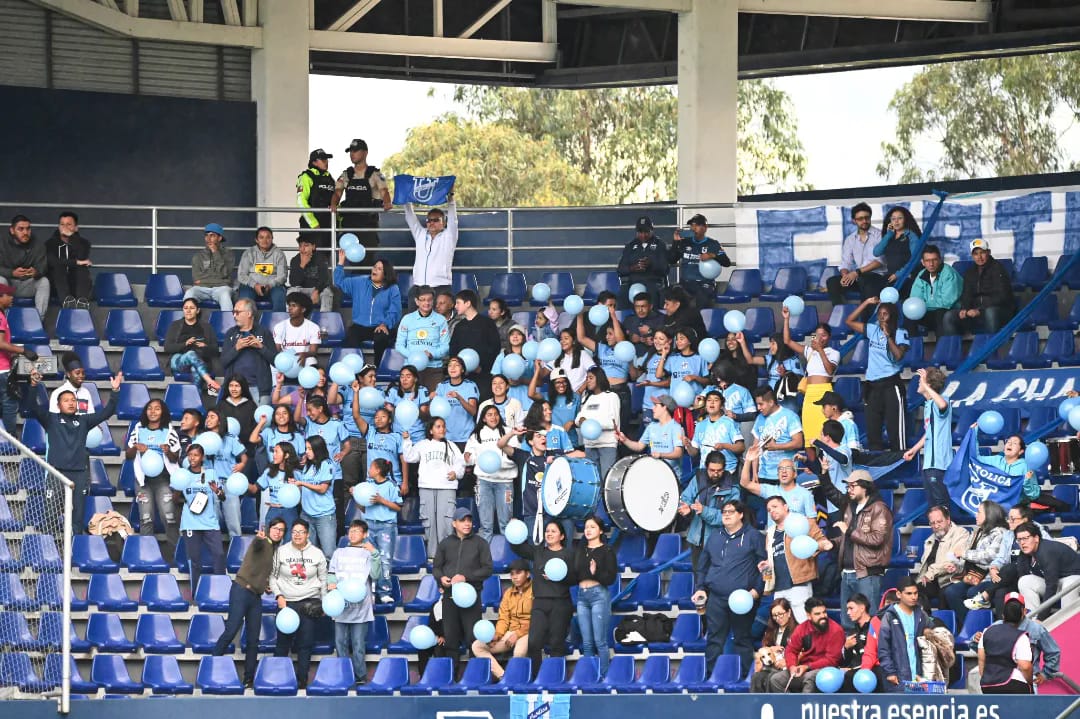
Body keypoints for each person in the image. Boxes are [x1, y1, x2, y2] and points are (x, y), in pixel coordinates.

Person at [28, 372, 121, 533]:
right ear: (58, 405)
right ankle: (51, 553)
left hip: (79, 474)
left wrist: (115, 391)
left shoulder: (84, 420)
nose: (71, 403)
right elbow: (32, 406)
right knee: (50, 515)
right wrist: (33, 386)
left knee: (77, 517)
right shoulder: (51, 419)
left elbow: (107, 413)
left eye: (73, 400)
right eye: (66, 400)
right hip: (56, 473)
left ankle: (75, 553)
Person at [692, 498, 766, 675]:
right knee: (714, 640)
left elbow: (764, 566)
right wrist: (700, 587)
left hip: (743, 598)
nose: (726, 515)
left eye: (730, 512)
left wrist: (757, 590)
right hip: (716, 597)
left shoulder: (753, 536)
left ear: (740, 514)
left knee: (742, 638)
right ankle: (711, 678)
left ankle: (749, 680)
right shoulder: (715, 536)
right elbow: (702, 565)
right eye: (724, 512)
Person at [213, 517, 286, 688]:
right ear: (269, 530)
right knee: (231, 630)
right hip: (241, 590)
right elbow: (258, 545)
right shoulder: (262, 542)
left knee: (254, 639)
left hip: (255, 596)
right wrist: (259, 538)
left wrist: (265, 584)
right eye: (275, 528)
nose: (277, 532)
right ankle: (212, 665)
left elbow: (261, 569)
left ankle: (248, 679)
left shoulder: (276, 550)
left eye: (281, 529)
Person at [821, 470, 894, 627]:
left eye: (853, 486)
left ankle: (868, 652)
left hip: (867, 573)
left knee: (869, 621)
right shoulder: (850, 507)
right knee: (847, 623)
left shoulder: (879, 509)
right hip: (847, 572)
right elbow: (849, 538)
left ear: (865, 487)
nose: (849, 490)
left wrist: (848, 531)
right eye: (848, 487)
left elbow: (877, 539)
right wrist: (833, 543)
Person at [510, 520, 576, 678]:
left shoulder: (569, 554)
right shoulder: (539, 552)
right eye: (547, 531)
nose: (549, 534)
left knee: (556, 644)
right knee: (533, 642)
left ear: (562, 536)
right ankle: (537, 677)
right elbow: (518, 547)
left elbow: (575, 578)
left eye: (553, 531)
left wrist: (559, 577)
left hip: (560, 603)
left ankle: (555, 679)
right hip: (539, 602)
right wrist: (512, 528)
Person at [433, 507, 493, 673]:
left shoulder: (480, 543)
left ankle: (476, 675)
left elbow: (488, 569)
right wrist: (441, 578)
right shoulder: (445, 543)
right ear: (454, 523)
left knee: (473, 638)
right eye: (462, 520)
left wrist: (466, 577)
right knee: (450, 638)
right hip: (450, 596)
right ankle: (451, 676)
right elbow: (436, 567)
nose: (467, 524)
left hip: (471, 597)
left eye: (469, 520)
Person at [270, 518, 328, 689]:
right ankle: (278, 679)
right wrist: (278, 596)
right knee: (282, 644)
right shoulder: (281, 551)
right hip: (286, 603)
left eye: (301, 532)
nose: (297, 535)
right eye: (294, 532)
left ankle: (302, 680)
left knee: (305, 644)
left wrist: (324, 602)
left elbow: (323, 579)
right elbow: (272, 576)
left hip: (309, 602)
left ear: (307, 534)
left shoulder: (317, 553)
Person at [846, 298, 909, 451]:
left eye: (885, 314)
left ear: (892, 316)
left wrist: (888, 337)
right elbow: (849, 321)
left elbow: (898, 356)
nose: (881, 317)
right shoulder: (872, 330)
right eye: (879, 314)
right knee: (873, 428)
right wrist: (866, 303)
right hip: (872, 385)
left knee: (895, 428)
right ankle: (877, 462)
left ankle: (900, 460)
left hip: (891, 384)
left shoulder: (900, 333)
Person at [964, 504, 1050, 614]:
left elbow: (1050, 553)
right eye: (1008, 518)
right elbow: (1000, 558)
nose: (1009, 521)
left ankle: (985, 595)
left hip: (1033, 576)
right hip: (1011, 578)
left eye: (1013, 519)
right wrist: (994, 567)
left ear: (1025, 519)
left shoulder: (1039, 533)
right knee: (1000, 592)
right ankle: (1003, 626)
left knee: (1012, 566)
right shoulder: (1008, 535)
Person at [761, 495, 832, 623]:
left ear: (786, 507)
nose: (772, 511)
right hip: (778, 587)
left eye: (775, 507)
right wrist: (766, 573)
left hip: (799, 583)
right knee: (782, 627)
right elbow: (770, 560)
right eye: (769, 510)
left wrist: (823, 545)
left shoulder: (803, 522)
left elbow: (821, 541)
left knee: (803, 624)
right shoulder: (770, 533)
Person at [968, 593, 1060, 690]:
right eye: (1009, 606)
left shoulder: (1037, 629)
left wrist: (1045, 674)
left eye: (1016, 606)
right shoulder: (995, 626)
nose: (1012, 609)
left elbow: (1053, 652)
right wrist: (975, 639)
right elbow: (980, 649)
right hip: (999, 678)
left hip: (1026, 678)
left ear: (1024, 611)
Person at [125, 399, 181, 556]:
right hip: (143, 481)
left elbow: (175, 458)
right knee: (146, 518)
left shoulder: (168, 430)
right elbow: (128, 455)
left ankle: (176, 556)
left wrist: (168, 451)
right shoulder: (138, 428)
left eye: (157, 408)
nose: (153, 411)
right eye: (149, 408)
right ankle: (147, 556)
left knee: (169, 517)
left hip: (163, 480)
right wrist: (136, 447)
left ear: (163, 412)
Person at [327, 518, 381, 684]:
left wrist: (374, 553)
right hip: (340, 605)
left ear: (365, 534)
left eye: (357, 531)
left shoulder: (369, 553)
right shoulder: (339, 552)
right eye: (351, 530)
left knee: (358, 645)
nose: (352, 533)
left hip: (361, 607)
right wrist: (331, 584)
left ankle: (360, 677)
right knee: (340, 643)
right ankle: (344, 675)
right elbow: (332, 572)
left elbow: (376, 575)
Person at [403, 418, 466, 557]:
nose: (442, 429)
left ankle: (448, 555)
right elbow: (409, 457)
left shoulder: (451, 445)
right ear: (430, 430)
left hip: (447, 487)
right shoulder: (423, 444)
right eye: (438, 427)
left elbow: (460, 464)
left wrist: (456, 473)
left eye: (443, 426)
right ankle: (432, 555)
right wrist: (407, 441)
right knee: (429, 521)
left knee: (446, 521)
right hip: (427, 487)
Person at [171, 444, 227, 593]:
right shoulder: (182, 475)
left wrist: (217, 490)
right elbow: (174, 500)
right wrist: (177, 487)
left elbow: (223, 497)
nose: (192, 458)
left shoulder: (211, 474)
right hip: (190, 523)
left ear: (202, 457)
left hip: (210, 522)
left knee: (219, 554)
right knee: (194, 561)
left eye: (195, 455)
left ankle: (221, 590)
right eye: (190, 455)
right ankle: (196, 594)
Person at [943, 500, 1008, 625]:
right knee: (951, 592)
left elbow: (990, 556)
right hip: (973, 576)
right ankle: (969, 626)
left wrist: (964, 554)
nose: (975, 515)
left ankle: (984, 626)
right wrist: (956, 566)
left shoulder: (999, 533)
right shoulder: (977, 532)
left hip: (990, 578)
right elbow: (967, 559)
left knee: (972, 593)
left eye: (979, 512)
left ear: (989, 514)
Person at [781, 306, 836, 450]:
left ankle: (826, 465)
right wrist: (786, 319)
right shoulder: (809, 351)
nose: (820, 338)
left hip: (825, 392)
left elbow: (830, 370)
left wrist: (820, 351)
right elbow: (787, 341)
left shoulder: (833, 353)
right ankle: (813, 467)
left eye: (823, 335)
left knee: (825, 433)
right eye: (817, 335)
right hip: (809, 394)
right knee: (809, 434)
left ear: (829, 337)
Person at [766, 597, 845, 693]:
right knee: (776, 679)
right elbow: (791, 650)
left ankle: (802, 706)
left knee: (809, 678)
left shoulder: (836, 630)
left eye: (824, 612)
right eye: (817, 614)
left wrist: (807, 667)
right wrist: (792, 666)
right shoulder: (802, 628)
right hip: (803, 668)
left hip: (825, 670)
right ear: (808, 615)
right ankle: (789, 705)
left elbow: (832, 660)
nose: (823, 616)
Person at [471, 558, 533, 679]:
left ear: (527, 574)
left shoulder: (535, 591)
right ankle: (504, 677)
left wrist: (518, 634)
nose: (514, 577)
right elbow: (503, 618)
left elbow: (537, 619)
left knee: (519, 651)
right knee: (477, 645)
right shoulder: (508, 593)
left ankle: (517, 681)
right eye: (512, 574)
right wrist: (497, 635)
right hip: (510, 632)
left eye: (518, 573)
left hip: (528, 632)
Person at [335, 254, 401, 368]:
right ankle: (360, 369)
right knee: (350, 339)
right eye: (374, 267)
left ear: (386, 274)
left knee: (381, 337)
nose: (375, 270)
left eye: (379, 269)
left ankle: (377, 368)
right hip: (360, 326)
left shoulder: (393, 288)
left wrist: (385, 324)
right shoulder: (359, 282)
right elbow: (339, 282)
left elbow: (395, 310)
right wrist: (341, 263)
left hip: (380, 326)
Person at [464, 406, 518, 542]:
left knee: (506, 524)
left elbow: (516, 455)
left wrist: (501, 464)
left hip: (505, 482)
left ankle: (508, 557)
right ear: (483, 418)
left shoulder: (509, 432)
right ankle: (483, 560)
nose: (493, 417)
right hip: (483, 481)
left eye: (495, 414)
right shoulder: (476, 435)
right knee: (486, 525)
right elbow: (469, 458)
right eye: (489, 415)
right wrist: (467, 457)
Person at [942, 238, 1017, 336]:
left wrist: (980, 310)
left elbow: (1002, 297)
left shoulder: (998, 269)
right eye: (976, 254)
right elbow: (966, 295)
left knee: (990, 313)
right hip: (976, 312)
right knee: (949, 316)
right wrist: (964, 309)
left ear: (988, 252)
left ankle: (992, 349)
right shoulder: (970, 272)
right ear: (972, 255)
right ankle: (954, 349)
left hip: (1000, 310)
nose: (979, 257)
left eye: (982, 253)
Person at [331, 138, 392, 256]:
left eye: (355, 151)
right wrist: (333, 204)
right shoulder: (346, 174)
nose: (352, 154)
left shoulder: (375, 173)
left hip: (368, 226)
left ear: (365, 153)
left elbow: (384, 191)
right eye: (350, 151)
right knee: (350, 260)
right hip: (350, 225)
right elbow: (337, 192)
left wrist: (387, 202)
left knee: (368, 259)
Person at [902, 367, 953, 510]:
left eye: (921, 382)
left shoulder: (942, 401)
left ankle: (950, 532)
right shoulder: (928, 405)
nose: (919, 384)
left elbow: (943, 405)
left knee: (942, 507)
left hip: (939, 464)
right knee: (933, 508)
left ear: (928, 385)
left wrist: (925, 385)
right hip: (929, 465)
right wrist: (914, 449)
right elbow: (929, 433)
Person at [680, 451, 738, 571]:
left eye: (719, 470)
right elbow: (685, 499)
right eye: (712, 470)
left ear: (724, 468)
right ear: (706, 467)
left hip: (720, 542)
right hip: (696, 540)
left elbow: (729, 517)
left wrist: (704, 511)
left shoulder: (732, 487)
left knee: (717, 581)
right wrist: (688, 510)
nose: (716, 474)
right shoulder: (697, 479)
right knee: (699, 581)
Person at [574, 514, 617, 676]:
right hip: (581, 596)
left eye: (592, 527)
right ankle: (589, 676)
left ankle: (604, 676)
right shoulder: (580, 549)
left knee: (600, 641)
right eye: (586, 527)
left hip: (598, 595)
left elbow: (610, 577)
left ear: (600, 531)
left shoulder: (606, 550)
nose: (588, 530)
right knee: (587, 643)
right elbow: (575, 573)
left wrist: (595, 572)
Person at [200, 407, 248, 539]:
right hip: (210, 483)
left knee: (234, 521)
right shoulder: (202, 438)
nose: (208, 419)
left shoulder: (230, 438)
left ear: (220, 421)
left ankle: (236, 551)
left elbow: (244, 456)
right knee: (211, 520)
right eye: (207, 416)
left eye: (212, 417)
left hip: (229, 483)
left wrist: (242, 464)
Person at [1014, 520, 1080, 617]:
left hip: (1075, 578)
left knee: (1068, 585)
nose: (1022, 543)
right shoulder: (1024, 554)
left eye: (1026, 538)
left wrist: (1042, 617)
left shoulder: (1047, 551)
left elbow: (1051, 585)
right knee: (1024, 581)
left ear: (1036, 538)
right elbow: (1022, 574)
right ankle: (1033, 621)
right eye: (1019, 540)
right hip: (1058, 582)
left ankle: (1066, 622)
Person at [358, 458, 401, 604]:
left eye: (371, 467)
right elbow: (363, 508)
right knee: (368, 558)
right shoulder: (367, 486)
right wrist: (357, 497)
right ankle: (371, 590)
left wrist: (381, 500)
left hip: (386, 527)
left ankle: (384, 592)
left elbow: (398, 506)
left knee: (385, 560)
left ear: (378, 470)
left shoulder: (391, 485)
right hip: (369, 525)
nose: (369, 470)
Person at [877, 576, 932, 691]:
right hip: (897, 675)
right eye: (909, 593)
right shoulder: (889, 616)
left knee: (918, 708)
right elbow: (883, 648)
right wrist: (890, 672)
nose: (913, 597)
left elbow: (934, 636)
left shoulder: (922, 615)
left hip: (919, 674)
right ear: (898, 594)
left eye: (916, 593)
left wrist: (929, 632)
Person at [827, 203, 886, 307]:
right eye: (860, 218)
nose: (864, 221)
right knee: (832, 282)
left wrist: (856, 273)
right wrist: (845, 275)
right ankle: (841, 313)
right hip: (859, 277)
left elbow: (879, 261)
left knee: (866, 281)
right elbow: (845, 263)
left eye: (867, 217)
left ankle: (867, 319)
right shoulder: (850, 239)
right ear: (854, 221)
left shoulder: (880, 235)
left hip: (877, 277)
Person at [404, 192, 458, 304]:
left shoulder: (449, 236)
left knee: (437, 321)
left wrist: (451, 199)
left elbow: (453, 219)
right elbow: (410, 216)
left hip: (440, 287)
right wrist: (405, 197)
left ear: (444, 223)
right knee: (414, 321)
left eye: (436, 220)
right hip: (418, 287)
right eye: (429, 220)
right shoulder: (420, 234)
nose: (431, 223)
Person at [741, 445, 816, 525]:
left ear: (795, 474)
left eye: (788, 468)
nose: (784, 471)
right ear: (777, 475)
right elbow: (745, 483)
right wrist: (748, 460)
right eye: (780, 469)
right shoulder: (770, 490)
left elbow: (812, 522)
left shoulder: (805, 494)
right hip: (774, 536)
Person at [913, 506, 970, 611]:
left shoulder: (961, 534)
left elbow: (952, 561)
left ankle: (943, 625)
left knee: (945, 593)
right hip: (933, 580)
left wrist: (930, 573)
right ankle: (926, 623)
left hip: (952, 579)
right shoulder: (930, 540)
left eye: (939, 521)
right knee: (914, 591)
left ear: (948, 520)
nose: (936, 526)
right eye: (932, 523)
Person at [220, 298, 276, 405]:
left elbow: (275, 361)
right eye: (233, 312)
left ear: (249, 313)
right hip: (235, 389)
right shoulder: (230, 333)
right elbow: (223, 362)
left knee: (262, 421)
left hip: (259, 389)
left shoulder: (264, 332)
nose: (234, 316)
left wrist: (261, 347)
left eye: (237, 312)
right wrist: (236, 348)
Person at [668, 214, 730, 309]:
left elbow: (727, 263)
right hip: (686, 283)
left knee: (702, 297)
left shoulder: (713, 244)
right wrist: (675, 242)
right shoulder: (684, 242)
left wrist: (712, 255)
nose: (693, 228)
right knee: (673, 294)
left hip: (705, 283)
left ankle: (700, 323)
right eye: (692, 225)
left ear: (705, 228)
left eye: (696, 225)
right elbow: (671, 260)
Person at [395, 285, 450, 392]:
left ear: (433, 301)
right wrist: (414, 356)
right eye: (423, 300)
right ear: (416, 301)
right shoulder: (407, 319)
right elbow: (399, 345)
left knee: (433, 402)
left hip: (434, 368)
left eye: (429, 300)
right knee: (410, 403)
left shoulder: (441, 320)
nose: (426, 303)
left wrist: (432, 354)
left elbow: (445, 346)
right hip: (411, 368)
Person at [977, 592, 1034, 694]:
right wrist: (1030, 682)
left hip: (987, 684)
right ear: (1022, 616)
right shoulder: (1021, 637)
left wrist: (985, 678)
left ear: (1003, 615)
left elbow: (981, 659)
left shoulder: (987, 631)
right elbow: (1025, 666)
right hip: (1014, 684)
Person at [615, 394, 685, 477]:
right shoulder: (651, 426)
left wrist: (661, 455)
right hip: (653, 473)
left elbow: (678, 453)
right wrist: (625, 440)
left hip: (672, 476)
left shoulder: (676, 427)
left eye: (656, 405)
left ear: (665, 407)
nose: (652, 408)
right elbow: (639, 446)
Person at [449, 290, 502, 397]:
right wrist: (460, 368)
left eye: (458, 303)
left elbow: (495, 348)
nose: (455, 306)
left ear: (468, 303)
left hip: (483, 376)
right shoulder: (459, 326)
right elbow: (453, 349)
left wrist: (482, 367)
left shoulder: (487, 323)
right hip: (463, 376)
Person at [164, 297, 221, 396]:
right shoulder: (175, 325)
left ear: (198, 310)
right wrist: (185, 344)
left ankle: (195, 403)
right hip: (178, 360)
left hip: (199, 362)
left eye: (192, 308)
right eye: (186, 308)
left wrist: (205, 346)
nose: (188, 310)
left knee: (195, 370)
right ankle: (210, 381)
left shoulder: (206, 327)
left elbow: (215, 350)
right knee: (191, 353)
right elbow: (167, 347)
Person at [0, 283, 37, 432]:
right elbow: (0, 343)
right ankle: (10, 444)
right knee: (9, 405)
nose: (12, 298)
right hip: (1, 369)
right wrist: (23, 351)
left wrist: (13, 352)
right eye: (8, 295)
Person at [750, 386, 804, 485]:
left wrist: (776, 447)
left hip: (785, 474)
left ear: (771, 402)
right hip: (764, 475)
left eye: (761, 404)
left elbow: (799, 443)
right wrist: (754, 473)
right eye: (757, 404)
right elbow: (755, 448)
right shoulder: (759, 418)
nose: (758, 408)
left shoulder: (790, 416)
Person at [294, 435, 338, 556]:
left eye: (310, 449)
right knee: (308, 552)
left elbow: (323, 489)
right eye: (306, 448)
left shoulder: (327, 464)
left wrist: (302, 483)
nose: (306, 452)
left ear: (318, 449)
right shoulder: (308, 466)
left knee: (328, 552)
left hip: (324, 515)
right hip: (306, 514)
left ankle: (329, 575)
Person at [574, 367, 621, 479]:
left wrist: (590, 423)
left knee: (606, 478)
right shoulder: (588, 398)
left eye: (591, 378)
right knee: (593, 479)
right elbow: (578, 419)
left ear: (599, 378)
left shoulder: (611, 396)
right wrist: (581, 421)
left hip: (607, 444)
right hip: (590, 445)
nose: (588, 381)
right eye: (586, 378)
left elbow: (613, 423)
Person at [1, 215, 49, 319]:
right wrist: (12, 273)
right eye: (20, 229)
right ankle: (2, 322)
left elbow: (43, 267)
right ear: (12, 230)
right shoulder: (2, 243)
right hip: (9, 285)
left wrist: (35, 272)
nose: (25, 232)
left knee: (44, 281)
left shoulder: (38, 244)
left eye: (28, 229)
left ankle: (38, 322)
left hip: (28, 284)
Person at [908, 244, 962, 334]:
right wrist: (917, 308)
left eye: (934, 260)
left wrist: (923, 305)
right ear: (923, 262)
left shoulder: (949, 273)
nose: (931, 264)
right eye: (928, 260)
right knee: (910, 315)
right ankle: (911, 347)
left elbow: (946, 303)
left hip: (950, 312)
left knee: (940, 313)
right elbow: (915, 299)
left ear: (940, 260)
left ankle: (942, 347)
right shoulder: (921, 275)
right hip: (929, 312)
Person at [749, 598, 800, 693]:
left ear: (789, 612)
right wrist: (770, 649)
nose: (778, 618)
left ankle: (771, 704)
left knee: (771, 678)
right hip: (772, 667)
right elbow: (763, 650)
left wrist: (787, 661)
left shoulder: (798, 630)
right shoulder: (771, 630)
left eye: (780, 614)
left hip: (789, 668)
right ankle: (756, 704)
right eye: (774, 616)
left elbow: (803, 653)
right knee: (756, 677)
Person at [617, 216, 669, 308]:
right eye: (640, 232)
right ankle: (626, 320)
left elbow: (665, 269)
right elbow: (620, 270)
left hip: (653, 282)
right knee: (623, 292)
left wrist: (651, 264)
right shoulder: (630, 246)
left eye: (646, 232)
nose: (643, 235)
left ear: (652, 230)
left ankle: (654, 319)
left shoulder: (660, 245)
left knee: (653, 292)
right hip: (633, 282)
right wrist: (632, 268)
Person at [46, 211, 92, 309]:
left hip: (76, 284)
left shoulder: (84, 243)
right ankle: (67, 301)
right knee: (58, 267)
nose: (65, 227)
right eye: (62, 224)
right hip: (56, 285)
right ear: (58, 227)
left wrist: (72, 238)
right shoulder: (49, 244)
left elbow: (82, 258)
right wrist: (75, 262)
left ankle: (82, 302)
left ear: (76, 228)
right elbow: (52, 262)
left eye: (69, 224)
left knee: (82, 268)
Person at [184, 223, 234, 312]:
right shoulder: (198, 256)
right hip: (202, 288)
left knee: (225, 295)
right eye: (206, 236)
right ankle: (186, 324)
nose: (208, 239)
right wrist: (218, 280)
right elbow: (196, 279)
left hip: (221, 288)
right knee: (189, 293)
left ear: (219, 238)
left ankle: (229, 324)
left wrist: (215, 252)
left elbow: (224, 274)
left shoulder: (228, 254)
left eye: (212, 235)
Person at [838, 593, 883, 692]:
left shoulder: (876, 625)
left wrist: (853, 669)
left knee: (849, 676)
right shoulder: (852, 631)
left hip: (872, 670)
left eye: (851, 608)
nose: (848, 612)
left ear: (862, 608)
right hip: (855, 670)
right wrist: (846, 648)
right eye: (847, 609)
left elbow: (877, 654)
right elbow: (847, 660)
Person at [237, 226, 287, 312]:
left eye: (268, 237)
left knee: (279, 296)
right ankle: (246, 324)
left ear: (272, 239)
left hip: (273, 287)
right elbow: (241, 275)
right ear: (256, 240)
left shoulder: (279, 254)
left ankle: (278, 324)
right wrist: (255, 285)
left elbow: (282, 276)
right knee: (245, 299)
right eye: (261, 237)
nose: (265, 240)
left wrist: (270, 285)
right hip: (251, 287)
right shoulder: (248, 253)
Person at [436, 356, 480, 447]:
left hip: (466, 436)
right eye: (450, 365)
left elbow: (473, 411)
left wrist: (459, 398)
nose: (452, 368)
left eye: (456, 365)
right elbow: (436, 413)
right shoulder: (441, 386)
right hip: (446, 436)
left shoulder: (470, 385)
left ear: (462, 369)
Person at [873, 206, 922, 288]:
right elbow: (876, 252)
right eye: (893, 219)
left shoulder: (911, 236)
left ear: (905, 219)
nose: (896, 221)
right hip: (891, 275)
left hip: (907, 276)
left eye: (900, 218)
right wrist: (888, 235)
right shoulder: (889, 236)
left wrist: (898, 274)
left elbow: (915, 260)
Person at [296, 148, 336, 248]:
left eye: (327, 159)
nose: (326, 162)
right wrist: (313, 223)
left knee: (326, 259)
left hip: (328, 224)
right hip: (311, 225)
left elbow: (335, 202)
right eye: (323, 160)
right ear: (314, 162)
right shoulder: (306, 176)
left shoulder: (330, 178)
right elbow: (301, 201)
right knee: (310, 259)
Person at [272, 292, 321, 368]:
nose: (290, 308)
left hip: (304, 356)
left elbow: (313, 351)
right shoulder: (279, 327)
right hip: (286, 359)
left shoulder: (313, 327)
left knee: (312, 361)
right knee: (274, 365)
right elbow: (277, 350)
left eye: (294, 306)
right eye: (289, 305)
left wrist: (305, 354)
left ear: (303, 309)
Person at [287, 236, 333, 313]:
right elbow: (293, 283)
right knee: (291, 291)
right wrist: (302, 265)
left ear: (313, 247)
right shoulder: (295, 260)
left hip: (316, 290)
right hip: (301, 291)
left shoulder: (320, 258)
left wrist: (317, 291)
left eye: (306, 245)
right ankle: (292, 319)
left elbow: (325, 279)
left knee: (327, 292)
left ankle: (325, 321)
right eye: (300, 246)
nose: (303, 249)